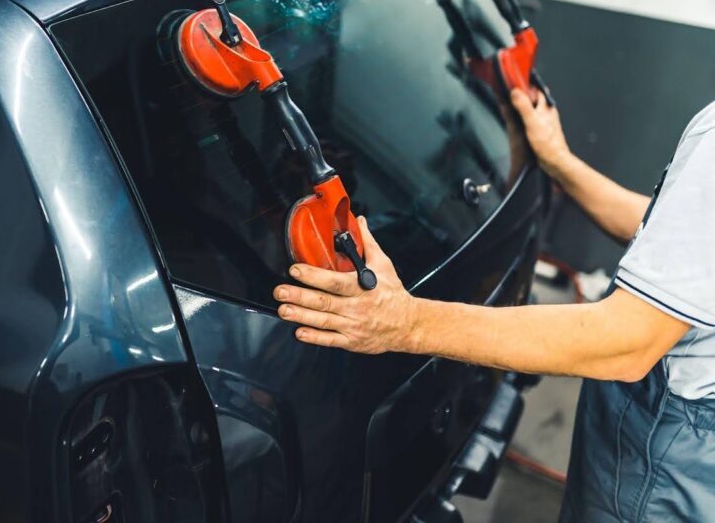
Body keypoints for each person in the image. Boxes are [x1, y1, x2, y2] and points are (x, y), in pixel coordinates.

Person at [275, 89, 715, 522]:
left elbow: (627, 342)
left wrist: (405, 323)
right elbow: (671, 236)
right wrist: (560, 162)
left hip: (669, 465)